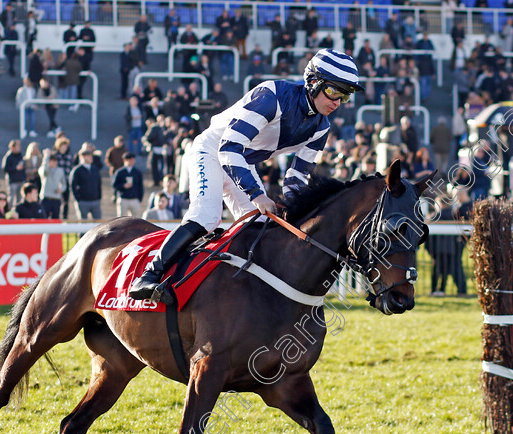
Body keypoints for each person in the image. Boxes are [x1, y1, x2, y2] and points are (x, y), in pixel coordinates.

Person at [130, 49, 364, 303]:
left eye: (346, 95)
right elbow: (228, 148)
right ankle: (148, 275)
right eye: (334, 91)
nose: (338, 101)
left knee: (261, 228)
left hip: (242, 162)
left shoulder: (322, 127)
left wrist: (293, 211)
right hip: (212, 149)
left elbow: (297, 177)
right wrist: (256, 194)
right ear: (313, 82)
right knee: (206, 217)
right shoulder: (271, 96)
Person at [70, 146, 103, 220]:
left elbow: (99, 183)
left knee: (98, 224)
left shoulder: (95, 169)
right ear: (82, 157)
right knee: (82, 224)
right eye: (88, 156)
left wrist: (99, 197)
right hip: (83, 201)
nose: (91, 157)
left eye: (91, 155)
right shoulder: (77, 170)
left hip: (95, 201)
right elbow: (73, 185)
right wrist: (77, 199)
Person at [112, 152, 144, 218]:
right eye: (130, 159)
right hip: (123, 198)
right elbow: (115, 185)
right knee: (121, 219)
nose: (131, 161)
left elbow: (140, 186)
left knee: (136, 219)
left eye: (132, 159)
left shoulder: (137, 172)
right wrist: (123, 186)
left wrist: (139, 198)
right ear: (125, 160)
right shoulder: (120, 172)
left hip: (134, 198)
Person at [39, 149, 65, 219]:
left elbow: (64, 184)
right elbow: (44, 171)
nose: (54, 163)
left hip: (56, 198)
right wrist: (46, 156)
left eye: (55, 161)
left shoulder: (60, 170)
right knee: (44, 218)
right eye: (52, 161)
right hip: (46, 198)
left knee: (56, 218)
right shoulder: (43, 169)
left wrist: (61, 189)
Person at [2, 139, 26, 206]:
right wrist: (15, 168)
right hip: (13, 181)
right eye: (17, 146)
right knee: (11, 198)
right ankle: (9, 213)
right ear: (13, 147)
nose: (19, 148)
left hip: (21, 180)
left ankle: (18, 213)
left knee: (20, 199)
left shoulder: (20, 155)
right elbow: (5, 169)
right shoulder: (8, 157)